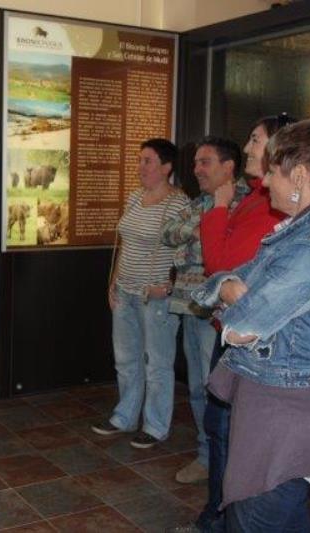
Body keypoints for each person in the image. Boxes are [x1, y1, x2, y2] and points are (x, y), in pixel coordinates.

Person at [193, 118, 310, 531]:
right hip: (279, 401)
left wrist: (231, 292)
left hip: (289, 410)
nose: (265, 182)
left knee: (254, 517)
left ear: (299, 176)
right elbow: (223, 283)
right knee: (278, 517)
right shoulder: (301, 232)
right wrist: (230, 288)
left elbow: (239, 326)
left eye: (273, 172)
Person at [195, 118, 293, 532]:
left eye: (255, 140)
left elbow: (220, 266)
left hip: (248, 341)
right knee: (221, 427)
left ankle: (218, 519)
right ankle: (217, 516)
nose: (248, 147)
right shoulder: (257, 196)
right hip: (231, 331)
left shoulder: (270, 207)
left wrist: (219, 209)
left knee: (227, 431)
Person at [161, 136, 249, 484]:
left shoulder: (246, 202)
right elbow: (168, 233)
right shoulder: (201, 202)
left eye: (205, 162)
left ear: (229, 167)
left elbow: (223, 252)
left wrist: (203, 229)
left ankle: (227, 461)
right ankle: (206, 456)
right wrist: (204, 225)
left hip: (221, 315)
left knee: (221, 390)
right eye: (196, 162)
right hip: (191, 305)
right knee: (198, 387)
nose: (196, 169)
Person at [92, 139, 189, 449]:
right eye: (139, 160)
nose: (140, 167)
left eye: (148, 161)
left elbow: (188, 254)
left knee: (157, 364)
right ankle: (125, 417)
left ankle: (156, 426)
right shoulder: (135, 198)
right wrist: (113, 282)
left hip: (155, 299)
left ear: (167, 167)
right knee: (126, 359)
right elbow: (125, 244)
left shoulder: (179, 204)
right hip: (125, 292)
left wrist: (169, 286)